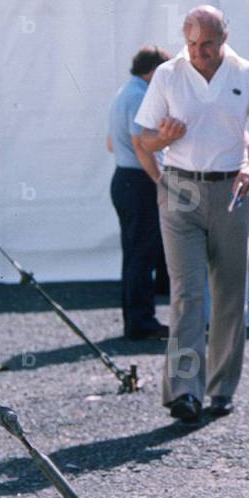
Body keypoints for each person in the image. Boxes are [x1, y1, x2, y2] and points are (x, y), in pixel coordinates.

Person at [135, 6, 249, 423]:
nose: (198, 53)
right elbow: (142, 140)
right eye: (191, 44)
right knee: (187, 293)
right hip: (181, 190)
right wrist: (163, 143)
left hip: (231, 187)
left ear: (223, 40)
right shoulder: (169, 74)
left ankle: (220, 389)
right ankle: (184, 392)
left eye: (207, 45)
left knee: (229, 294)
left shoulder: (245, 73)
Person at [107, 44, 170, 340]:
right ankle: (141, 323)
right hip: (138, 180)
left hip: (125, 177)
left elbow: (110, 142)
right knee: (141, 255)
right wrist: (160, 180)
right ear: (153, 70)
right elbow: (140, 144)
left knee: (135, 253)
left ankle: (136, 319)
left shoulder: (123, 93)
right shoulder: (138, 96)